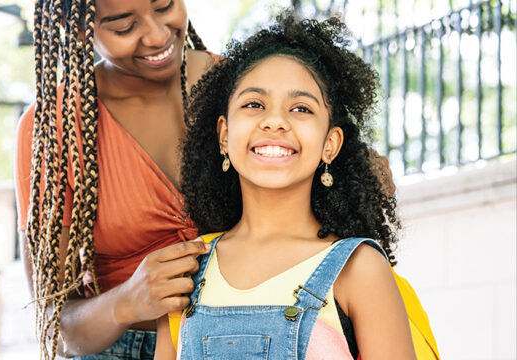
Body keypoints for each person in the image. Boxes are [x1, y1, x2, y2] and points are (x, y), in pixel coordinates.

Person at [15, 1, 395, 359]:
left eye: (164, 5)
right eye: (125, 26)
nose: (156, 35)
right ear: (80, 30)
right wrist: (126, 302)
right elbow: (53, 325)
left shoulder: (246, 91)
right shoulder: (55, 130)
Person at [154, 11, 416, 359]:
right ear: (224, 135)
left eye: (301, 108)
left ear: (330, 144)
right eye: (254, 104)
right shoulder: (185, 270)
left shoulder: (359, 269)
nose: (275, 120)